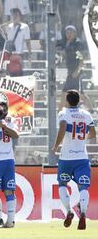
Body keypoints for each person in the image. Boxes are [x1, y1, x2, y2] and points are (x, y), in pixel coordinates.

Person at [52, 90, 96, 230]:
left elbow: (63, 127)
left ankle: (69, 211)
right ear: (79, 100)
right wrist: (81, 137)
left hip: (66, 158)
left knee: (62, 184)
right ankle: (82, 213)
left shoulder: (64, 113)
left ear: (67, 100)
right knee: (83, 186)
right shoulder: (86, 114)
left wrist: (55, 146)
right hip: (82, 157)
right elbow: (93, 134)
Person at [58, 25, 93, 111]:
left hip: (76, 73)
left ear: (75, 33)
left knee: (67, 93)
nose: (69, 34)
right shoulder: (67, 43)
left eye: (71, 32)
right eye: (67, 32)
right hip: (70, 72)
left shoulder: (77, 44)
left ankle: (60, 111)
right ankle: (92, 109)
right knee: (80, 94)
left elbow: (81, 59)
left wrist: (77, 71)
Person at [3, 8, 31, 77]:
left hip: (19, 53)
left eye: (16, 15)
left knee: (18, 73)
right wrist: (9, 22)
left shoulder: (25, 27)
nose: (14, 17)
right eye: (12, 15)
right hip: (10, 54)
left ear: (20, 16)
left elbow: (28, 41)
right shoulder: (9, 26)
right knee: (10, 73)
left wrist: (29, 55)